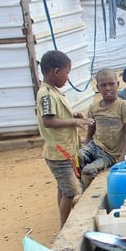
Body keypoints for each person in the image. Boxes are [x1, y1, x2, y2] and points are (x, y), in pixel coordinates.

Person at [35, 50, 93, 227]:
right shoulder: (46, 94)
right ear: (56, 72)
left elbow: (56, 114)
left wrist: (72, 114)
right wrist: (75, 121)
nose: (67, 78)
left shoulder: (53, 92)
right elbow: (48, 121)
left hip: (64, 150)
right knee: (71, 192)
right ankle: (65, 227)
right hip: (59, 153)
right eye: (67, 73)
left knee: (63, 188)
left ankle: (64, 222)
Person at [78, 69, 126, 189]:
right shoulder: (94, 107)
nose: (108, 88)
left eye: (111, 84)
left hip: (110, 154)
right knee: (79, 156)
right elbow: (90, 132)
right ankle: (82, 186)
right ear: (98, 87)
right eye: (103, 85)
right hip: (95, 146)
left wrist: (122, 158)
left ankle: (87, 190)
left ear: (118, 85)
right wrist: (85, 146)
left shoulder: (124, 106)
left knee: (89, 170)